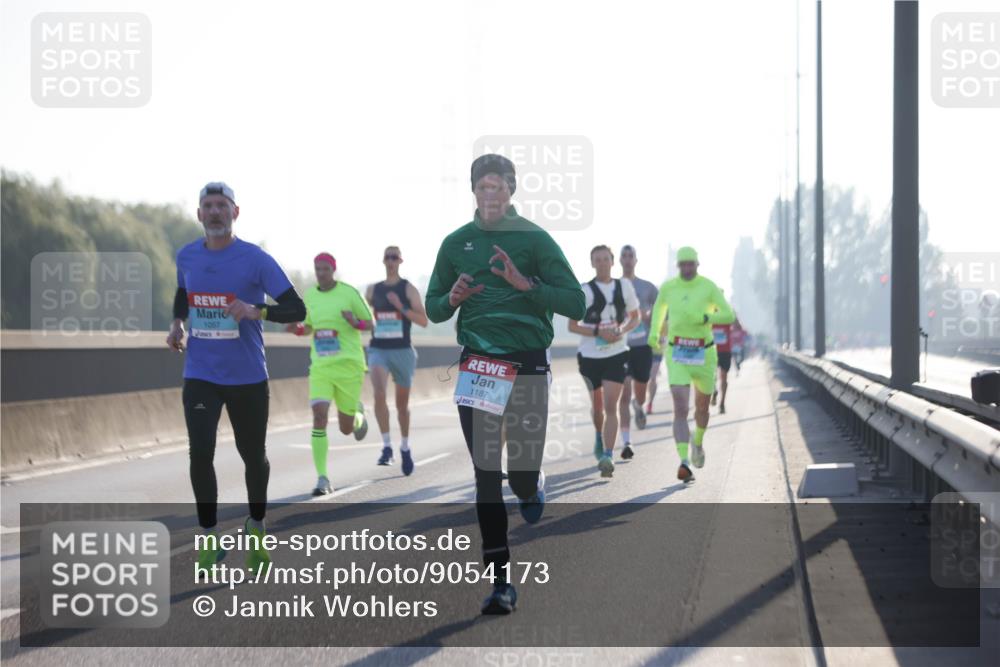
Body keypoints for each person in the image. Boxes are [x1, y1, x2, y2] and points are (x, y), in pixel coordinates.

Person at [425, 154, 585, 615]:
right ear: (473, 192)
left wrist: (525, 284)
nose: (489, 195)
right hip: (479, 367)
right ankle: (501, 583)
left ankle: (531, 482)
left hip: (529, 364)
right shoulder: (457, 244)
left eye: (497, 187)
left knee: (517, 475)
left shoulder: (534, 239)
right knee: (486, 477)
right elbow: (434, 307)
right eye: (482, 188)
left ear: (511, 190)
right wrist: (451, 299)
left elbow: (575, 301)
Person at [168, 182, 305, 573]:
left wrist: (255, 310)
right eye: (207, 206)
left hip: (247, 376)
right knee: (200, 453)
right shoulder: (187, 255)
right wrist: (178, 322)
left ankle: (256, 526)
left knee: (253, 458)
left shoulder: (255, 259)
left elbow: (297, 309)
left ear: (235, 212)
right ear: (199, 214)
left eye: (221, 206)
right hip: (201, 373)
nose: (214, 212)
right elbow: (183, 291)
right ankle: (209, 538)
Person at [286, 253, 373, 496]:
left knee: (346, 428)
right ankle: (322, 478)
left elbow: (371, 324)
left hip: (349, 367)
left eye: (325, 269)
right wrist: (298, 329)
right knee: (319, 416)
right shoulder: (311, 296)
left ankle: (357, 416)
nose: (321, 273)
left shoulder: (349, 293)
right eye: (317, 269)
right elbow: (311, 326)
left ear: (333, 270)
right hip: (321, 367)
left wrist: (354, 322)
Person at [648, 246, 734, 483]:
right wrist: (654, 334)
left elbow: (729, 315)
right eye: (683, 264)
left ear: (697, 265)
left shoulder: (708, 287)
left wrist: (707, 317)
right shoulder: (669, 288)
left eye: (690, 264)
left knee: (703, 408)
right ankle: (684, 461)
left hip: (704, 354)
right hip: (677, 353)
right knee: (680, 406)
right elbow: (658, 311)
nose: (686, 268)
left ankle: (698, 442)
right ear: (678, 266)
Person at [569, 245, 640, 476]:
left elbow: (635, 317)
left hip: (617, 354)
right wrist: (599, 331)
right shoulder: (584, 290)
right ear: (592, 263)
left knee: (611, 405)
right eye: (597, 260)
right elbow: (572, 325)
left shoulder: (624, 286)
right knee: (597, 406)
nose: (601, 263)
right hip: (590, 356)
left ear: (612, 261)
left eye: (605, 259)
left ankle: (608, 455)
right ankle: (599, 437)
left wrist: (621, 329)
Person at [365, 246, 428, 475]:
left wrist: (400, 306)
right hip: (378, 348)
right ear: (383, 261)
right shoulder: (372, 290)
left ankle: (404, 446)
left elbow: (423, 321)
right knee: (379, 392)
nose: (391, 261)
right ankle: (386, 447)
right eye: (387, 257)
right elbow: (366, 317)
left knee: (402, 406)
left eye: (394, 257)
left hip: (402, 350)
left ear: (400, 261)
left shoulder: (408, 289)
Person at [617, 244, 658, 456]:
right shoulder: (613, 287)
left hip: (643, 346)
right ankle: (626, 442)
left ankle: (639, 405)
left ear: (635, 260)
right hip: (621, 347)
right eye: (623, 255)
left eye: (630, 255)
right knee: (624, 392)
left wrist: (649, 316)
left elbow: (662, 313)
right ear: (620, 260)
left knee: (640, 390)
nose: (627, 258)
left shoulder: (648, 287)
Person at [711, 313, 742, 414]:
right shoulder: (710, 313)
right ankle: (715, 392)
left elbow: (738, 325)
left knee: (722, 378)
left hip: (724, 352)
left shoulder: (726, 315)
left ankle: (722, 402)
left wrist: (733, 316)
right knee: (713, 376)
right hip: (712, 351)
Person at [646, 318, 667, 414]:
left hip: (657, 352)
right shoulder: (642, 320)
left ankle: (650, 403)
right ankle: (641, 399)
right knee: (643, 379)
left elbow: (666, 338)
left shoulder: (663, 321)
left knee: (653, 377)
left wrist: (661, 339)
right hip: (643, 352)